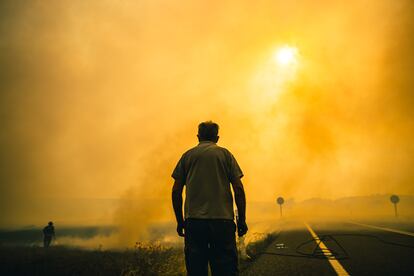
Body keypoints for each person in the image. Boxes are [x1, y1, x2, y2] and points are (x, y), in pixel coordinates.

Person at [172, 121, 248, 276]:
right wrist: (242, 219)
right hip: (222, 222)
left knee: (196, 270)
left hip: (194, 223)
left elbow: (176, 191)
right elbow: (238, 189)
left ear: (198, 137)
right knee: (226, 270)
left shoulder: (187, 156)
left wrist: (180, 221)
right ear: (217, 138)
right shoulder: (225, 155)